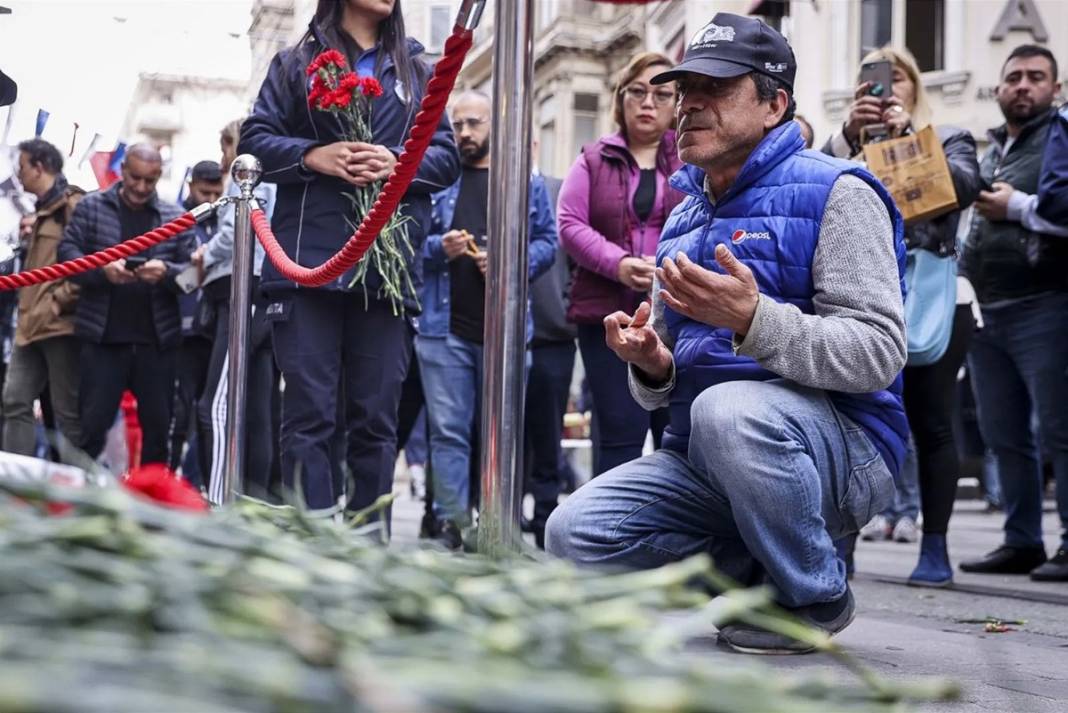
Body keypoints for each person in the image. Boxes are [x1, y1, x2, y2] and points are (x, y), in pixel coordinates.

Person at [546, 13, 908, 654]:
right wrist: (652, 366)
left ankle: (814, 592)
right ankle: (754, 569)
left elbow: (878, 353)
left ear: (775, 105)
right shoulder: (684, 214)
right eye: (684, 90)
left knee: (727, 409)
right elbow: (663, 394)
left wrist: (754, 321)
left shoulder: (840, 192)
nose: (687, 107)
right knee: (573, 533)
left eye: (714, 88)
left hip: (845, 453)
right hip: (710, 457)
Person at [239, 0, 460, 518]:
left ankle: (369, 543)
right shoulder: (294, 63)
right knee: (309, 414)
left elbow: (446, 158)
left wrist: (397, 164)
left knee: (376, 419)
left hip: (386, 269)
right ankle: (313, 540)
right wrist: (313, 157)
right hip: (306, 265)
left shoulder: (419, 70)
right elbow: (253, 143)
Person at [823, 46, 982, 585]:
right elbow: (809, 188)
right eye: (872, 83)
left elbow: (961, 188)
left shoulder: (948, 137)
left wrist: (911, 138)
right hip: (861, 293)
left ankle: (934, 546)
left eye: (896, 82)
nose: (883, 92)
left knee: (934, 422)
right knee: (849, 420)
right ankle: (841, 547)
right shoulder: (845, 148)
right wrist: (848, 135)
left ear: (914, 87)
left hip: (932, 295)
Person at [417, 90, 556, 543]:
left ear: (494, 124)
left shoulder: (523, 181)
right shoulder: (437, 179)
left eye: (474, 123)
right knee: (449, 433)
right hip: (442, 327)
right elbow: (406, 247)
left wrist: (507, 259)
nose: (465, 133)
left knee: (503, 431)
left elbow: (548, 244)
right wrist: (440, 248)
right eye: (458, 125)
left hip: (507, 327)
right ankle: (452, 522)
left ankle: (498, 521)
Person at [958, 45, 1068, 582]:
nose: (1023, 86)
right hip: (987, 308)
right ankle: (1022, 540)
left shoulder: (1060, 138)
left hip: (1045, 302)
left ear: (1055, 89)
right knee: (1003, 435)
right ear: (999, 89)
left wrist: (1015, 207)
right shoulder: (994, 146)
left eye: (1036, 77)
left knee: (1060, 429)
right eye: (1014, 78)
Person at [557, 51, 684, 476]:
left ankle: (674, 538)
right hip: (607, 316)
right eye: (638, 92)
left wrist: (667, 263)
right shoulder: (592, 158)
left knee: (678, 433)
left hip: (678, 315)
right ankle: (610, 537)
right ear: (621, 98)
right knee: (618, 433)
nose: (648, 102)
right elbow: (570, 224)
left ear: (676, 104)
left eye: (661, 94)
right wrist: (620, 264)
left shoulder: (693, 161)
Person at [57, 144, 195, 465]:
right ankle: (79, 504)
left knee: (158, 434)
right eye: (135, 178)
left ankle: (153, 507)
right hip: (103, 339)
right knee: (90, 430)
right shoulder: (91, 207)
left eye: (150, 180)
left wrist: (165, 273)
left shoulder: (175, 217)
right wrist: (102, 271)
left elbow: (192, 274)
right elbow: (65, 255)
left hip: (157, 342)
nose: (141, 187)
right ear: (122, 171)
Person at [192, 120, 278, 504]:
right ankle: (252, 499)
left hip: (244, 287)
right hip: (265, 290)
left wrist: (202, 256)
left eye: (224, 146)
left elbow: (230, 234)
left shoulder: (245, 173)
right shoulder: (276, 174)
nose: (223, 156)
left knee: (216, 403)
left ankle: (217, 498)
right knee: (258, 405)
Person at [1, 139, 84, 456]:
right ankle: (17, 489)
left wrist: (61, 300)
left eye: (22, 167)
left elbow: (91, 259)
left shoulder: (72, 204)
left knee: (65, 413)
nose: (19, 175)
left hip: (58, 323)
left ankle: (77, 491)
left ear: (39, 166)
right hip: (29, 322)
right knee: (14, 400)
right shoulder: (42, 212)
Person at [524, 147, 573, 548]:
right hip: (493, 333)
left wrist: (565, 305)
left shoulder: (560, 190)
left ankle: (543, 516)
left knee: (547, 431)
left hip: (552, 332)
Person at [169, 159, 224, 485]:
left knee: (210, 416)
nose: (212, 200)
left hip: (215, 333)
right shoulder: (175, 220)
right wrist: (197, 272)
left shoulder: (228, 219)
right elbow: (170, 275)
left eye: (217, 193)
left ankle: (204, 484)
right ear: (191, 187)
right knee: (178, 414)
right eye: (205, 192)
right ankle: (169, 479)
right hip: (182, 333)